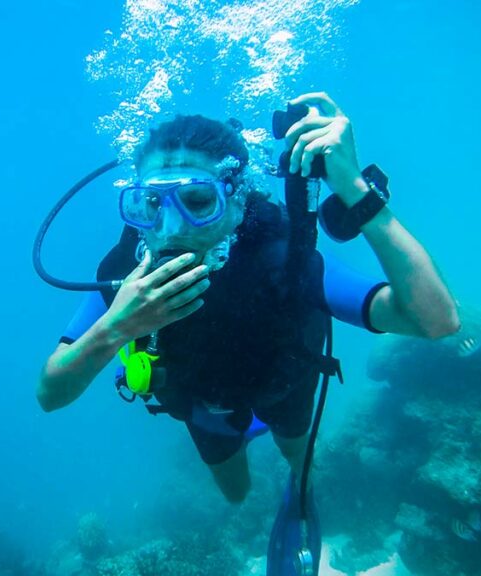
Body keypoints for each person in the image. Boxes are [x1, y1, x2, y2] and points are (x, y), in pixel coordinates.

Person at [37, 92, 459, 503]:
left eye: (198, 201)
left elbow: (434, 320)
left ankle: (300, 490)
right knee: (236, 494)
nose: (169, 229)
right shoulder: (127, 276)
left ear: (236, 199)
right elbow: (50, 394)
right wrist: (118, 328)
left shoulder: (286, 258)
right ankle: (258, 456)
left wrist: (353, 188)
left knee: (299, 460)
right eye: (150, 203)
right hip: (203, 408)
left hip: (286, 389)